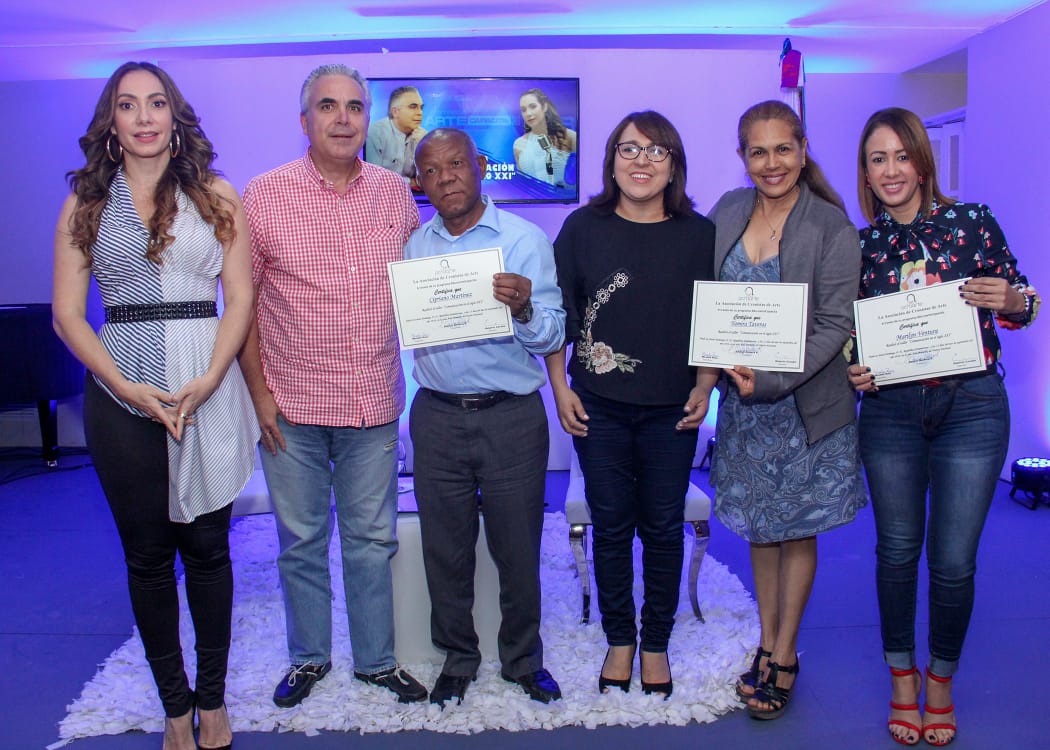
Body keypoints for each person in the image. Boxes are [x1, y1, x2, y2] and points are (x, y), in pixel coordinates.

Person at [52, 61, 258, 750]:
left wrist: (211, 376)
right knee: (146, 557)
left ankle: (214, 700)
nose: (144, 116)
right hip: (121, 391)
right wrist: (124, 384)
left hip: (207, 383)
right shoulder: (86, 204)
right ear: (111, 122)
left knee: (207, 549)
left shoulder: (218, 195)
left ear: (176, 116)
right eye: (128, 105)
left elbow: (241, 298)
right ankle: (175, 708)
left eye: (156, 103)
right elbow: (67, 316)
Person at [848, 107, 1040, 747]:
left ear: (923, 161)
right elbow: (850, 335)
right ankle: (901, 676)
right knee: (896, 553)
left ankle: (941, 681)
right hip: (891, 414)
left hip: (973, 408)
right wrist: (857, 368)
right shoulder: (862, 245)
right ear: (867, 173)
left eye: (902, 155)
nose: (892, 170)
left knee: (954, 562)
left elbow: (1025, 302)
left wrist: (1012, 301)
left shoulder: (972, 222)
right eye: (878, 159)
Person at [240, 63, 427, 709]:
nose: (343, 118)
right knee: (300, 542)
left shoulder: (395, 195)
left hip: (372, 402)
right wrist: (260, 396)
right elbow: (243, 305)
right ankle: (308, 658)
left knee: (371, 541)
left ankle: (376, 662)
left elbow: (420, 284)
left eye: (354, 106)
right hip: (288, 406)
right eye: (328, 106)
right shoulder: (262, 196)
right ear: (305, 120)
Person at [701, 99, 867, 720]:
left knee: (796, 529)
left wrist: (769, 380)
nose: (772, 163)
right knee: (759, 529)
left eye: (783, 149)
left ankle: (786, 653)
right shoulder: (726, 211)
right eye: (758, 151)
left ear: (802, 148)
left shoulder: (830, 226)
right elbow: (703, 300)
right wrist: (710, 371)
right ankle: (765, 641)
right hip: (742, 412)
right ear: (743, 156)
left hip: (803, 407)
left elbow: (832, 327)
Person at [545, 111, 715, 699]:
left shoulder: (701, 234)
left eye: (656, 151)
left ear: (674, 165)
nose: (641, 161)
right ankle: (621, 638)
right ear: (611, 160)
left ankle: (657, 641)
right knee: (612, 527)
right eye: (629, 149)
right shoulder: (581, 228)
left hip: (675, 409)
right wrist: (560, 388)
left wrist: (706, 383)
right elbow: (559, 317)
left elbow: (711, 321)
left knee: (664, 529)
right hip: (599, 407)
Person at [407, 128, 566, 707]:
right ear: (419, 181)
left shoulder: (527, 241)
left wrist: (523, 306)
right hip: (436, 416)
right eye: (431, 170)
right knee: (443, 548)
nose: (445, 177)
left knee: (518, 548)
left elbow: (554, 333)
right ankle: (458, 657)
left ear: (479, 167)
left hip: (511, 417)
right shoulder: (412, 248)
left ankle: (523, 658)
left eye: (456, 164)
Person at [512, 88, 577, 187]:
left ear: (544, 107)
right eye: (523, 110)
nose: (528, 114)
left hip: (562, 200)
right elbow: (523, 186)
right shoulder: (519, 144)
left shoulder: (570, 136)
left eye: (533, 106)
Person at [366, 85, 426, 189]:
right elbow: (373, 180)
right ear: (395, 112)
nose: (419, 113)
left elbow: (428, 181)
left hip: (412, 199)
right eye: (413, 107)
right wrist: (410, 183)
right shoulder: (374, 133)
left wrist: (425, 147)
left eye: (421, 107)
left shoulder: (423, 137)